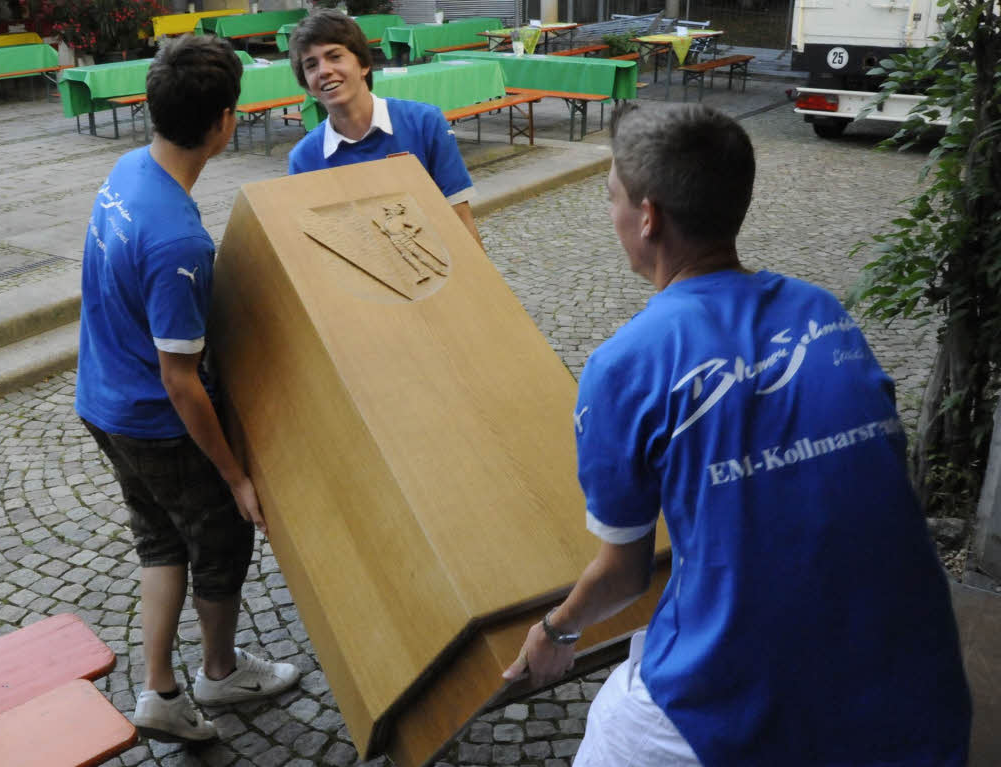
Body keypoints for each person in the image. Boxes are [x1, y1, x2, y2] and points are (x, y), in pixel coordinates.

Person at [503, 103, 971, 766]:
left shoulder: (624, 363)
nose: (610, 214)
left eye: (611, 196)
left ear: (648, 217)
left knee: (610, 736)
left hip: (738, 702)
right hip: (919, 687)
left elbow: (624, 573)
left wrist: (556, 630)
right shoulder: (824, 312)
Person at [75, 35, 300, 744]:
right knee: (219, 540)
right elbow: (181, 381)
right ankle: (219, 670)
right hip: (153, 420)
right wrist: (235, 475)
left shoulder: (128, 169)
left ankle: (160, 691)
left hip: (102, 402)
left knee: (160, 540)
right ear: (225, 122)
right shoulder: (177, 242)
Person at [286, 10, 483, 246]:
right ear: (307, 86)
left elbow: (461, 220)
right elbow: (316, 247)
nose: (324, 70)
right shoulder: (304, 160)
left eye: (335, 56)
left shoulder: (425, 124)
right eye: (311, 65)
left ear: (364, 65)